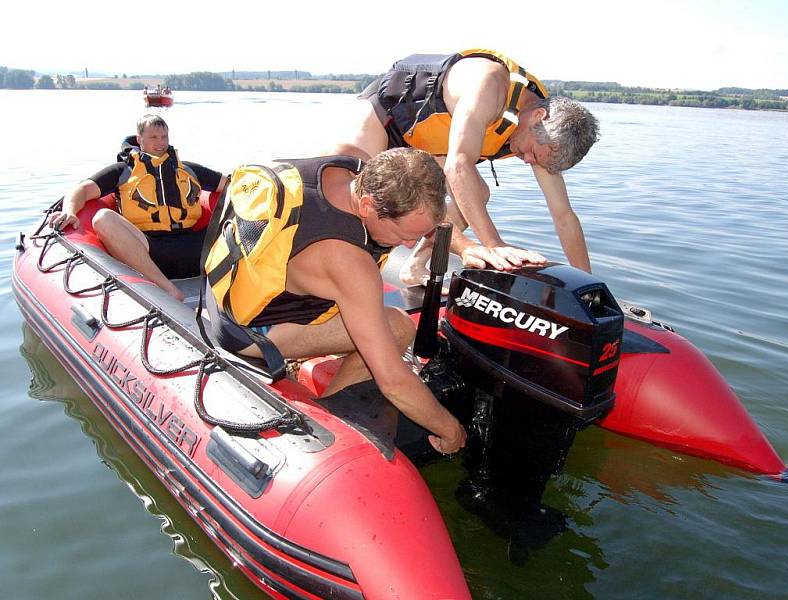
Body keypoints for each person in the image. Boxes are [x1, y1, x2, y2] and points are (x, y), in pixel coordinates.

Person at [204, 148, 467, 455]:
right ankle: (325, 421)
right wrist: (450, 430)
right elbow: (393, 381)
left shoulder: (346, 165)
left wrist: (466, 245)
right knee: (397, 327)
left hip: (222, 290)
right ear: (367, 205)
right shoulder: (348, 263)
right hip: (246, 333)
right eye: (402, 234)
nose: (409, 245)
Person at [328, 49, 599, 286]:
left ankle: (415, 265)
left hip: (429, 144)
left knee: (475, 195)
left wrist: (588, 283)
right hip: (387, 115)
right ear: (538, 117)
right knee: (347, 184)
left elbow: (564, 216)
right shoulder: (489, 86)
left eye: (535, 160)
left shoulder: (542, 140)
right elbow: (458, 166)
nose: (529, 161)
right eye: (531, 154)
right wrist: (494, 246)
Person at [47, 115, 227, 301]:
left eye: (164, 137)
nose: (160, 143)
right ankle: (167, 289)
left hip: (198, 249)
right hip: (150, 250)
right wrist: (69, 211)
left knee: (240, 211)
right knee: (103, 219)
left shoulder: (188, 170)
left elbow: (229, 184)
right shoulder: (122, 171)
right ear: (140, 139)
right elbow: (82, 190)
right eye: (153, 137)